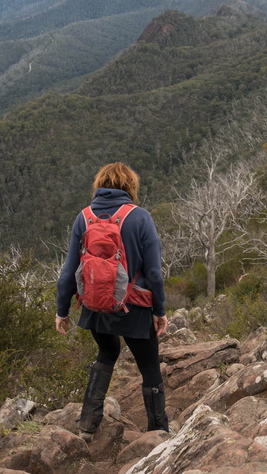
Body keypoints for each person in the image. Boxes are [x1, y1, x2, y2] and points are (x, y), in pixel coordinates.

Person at [55, 162, 169, 440]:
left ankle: (87, 426)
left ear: (100, 185)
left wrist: (62, 310)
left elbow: (69, 271)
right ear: (130, 186)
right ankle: (159, 432)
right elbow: (153, 272)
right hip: (134, 307)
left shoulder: (83, 218)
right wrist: (159, 311)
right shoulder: (140, 217)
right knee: (149, 366)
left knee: (106, 353)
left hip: (96, 306)